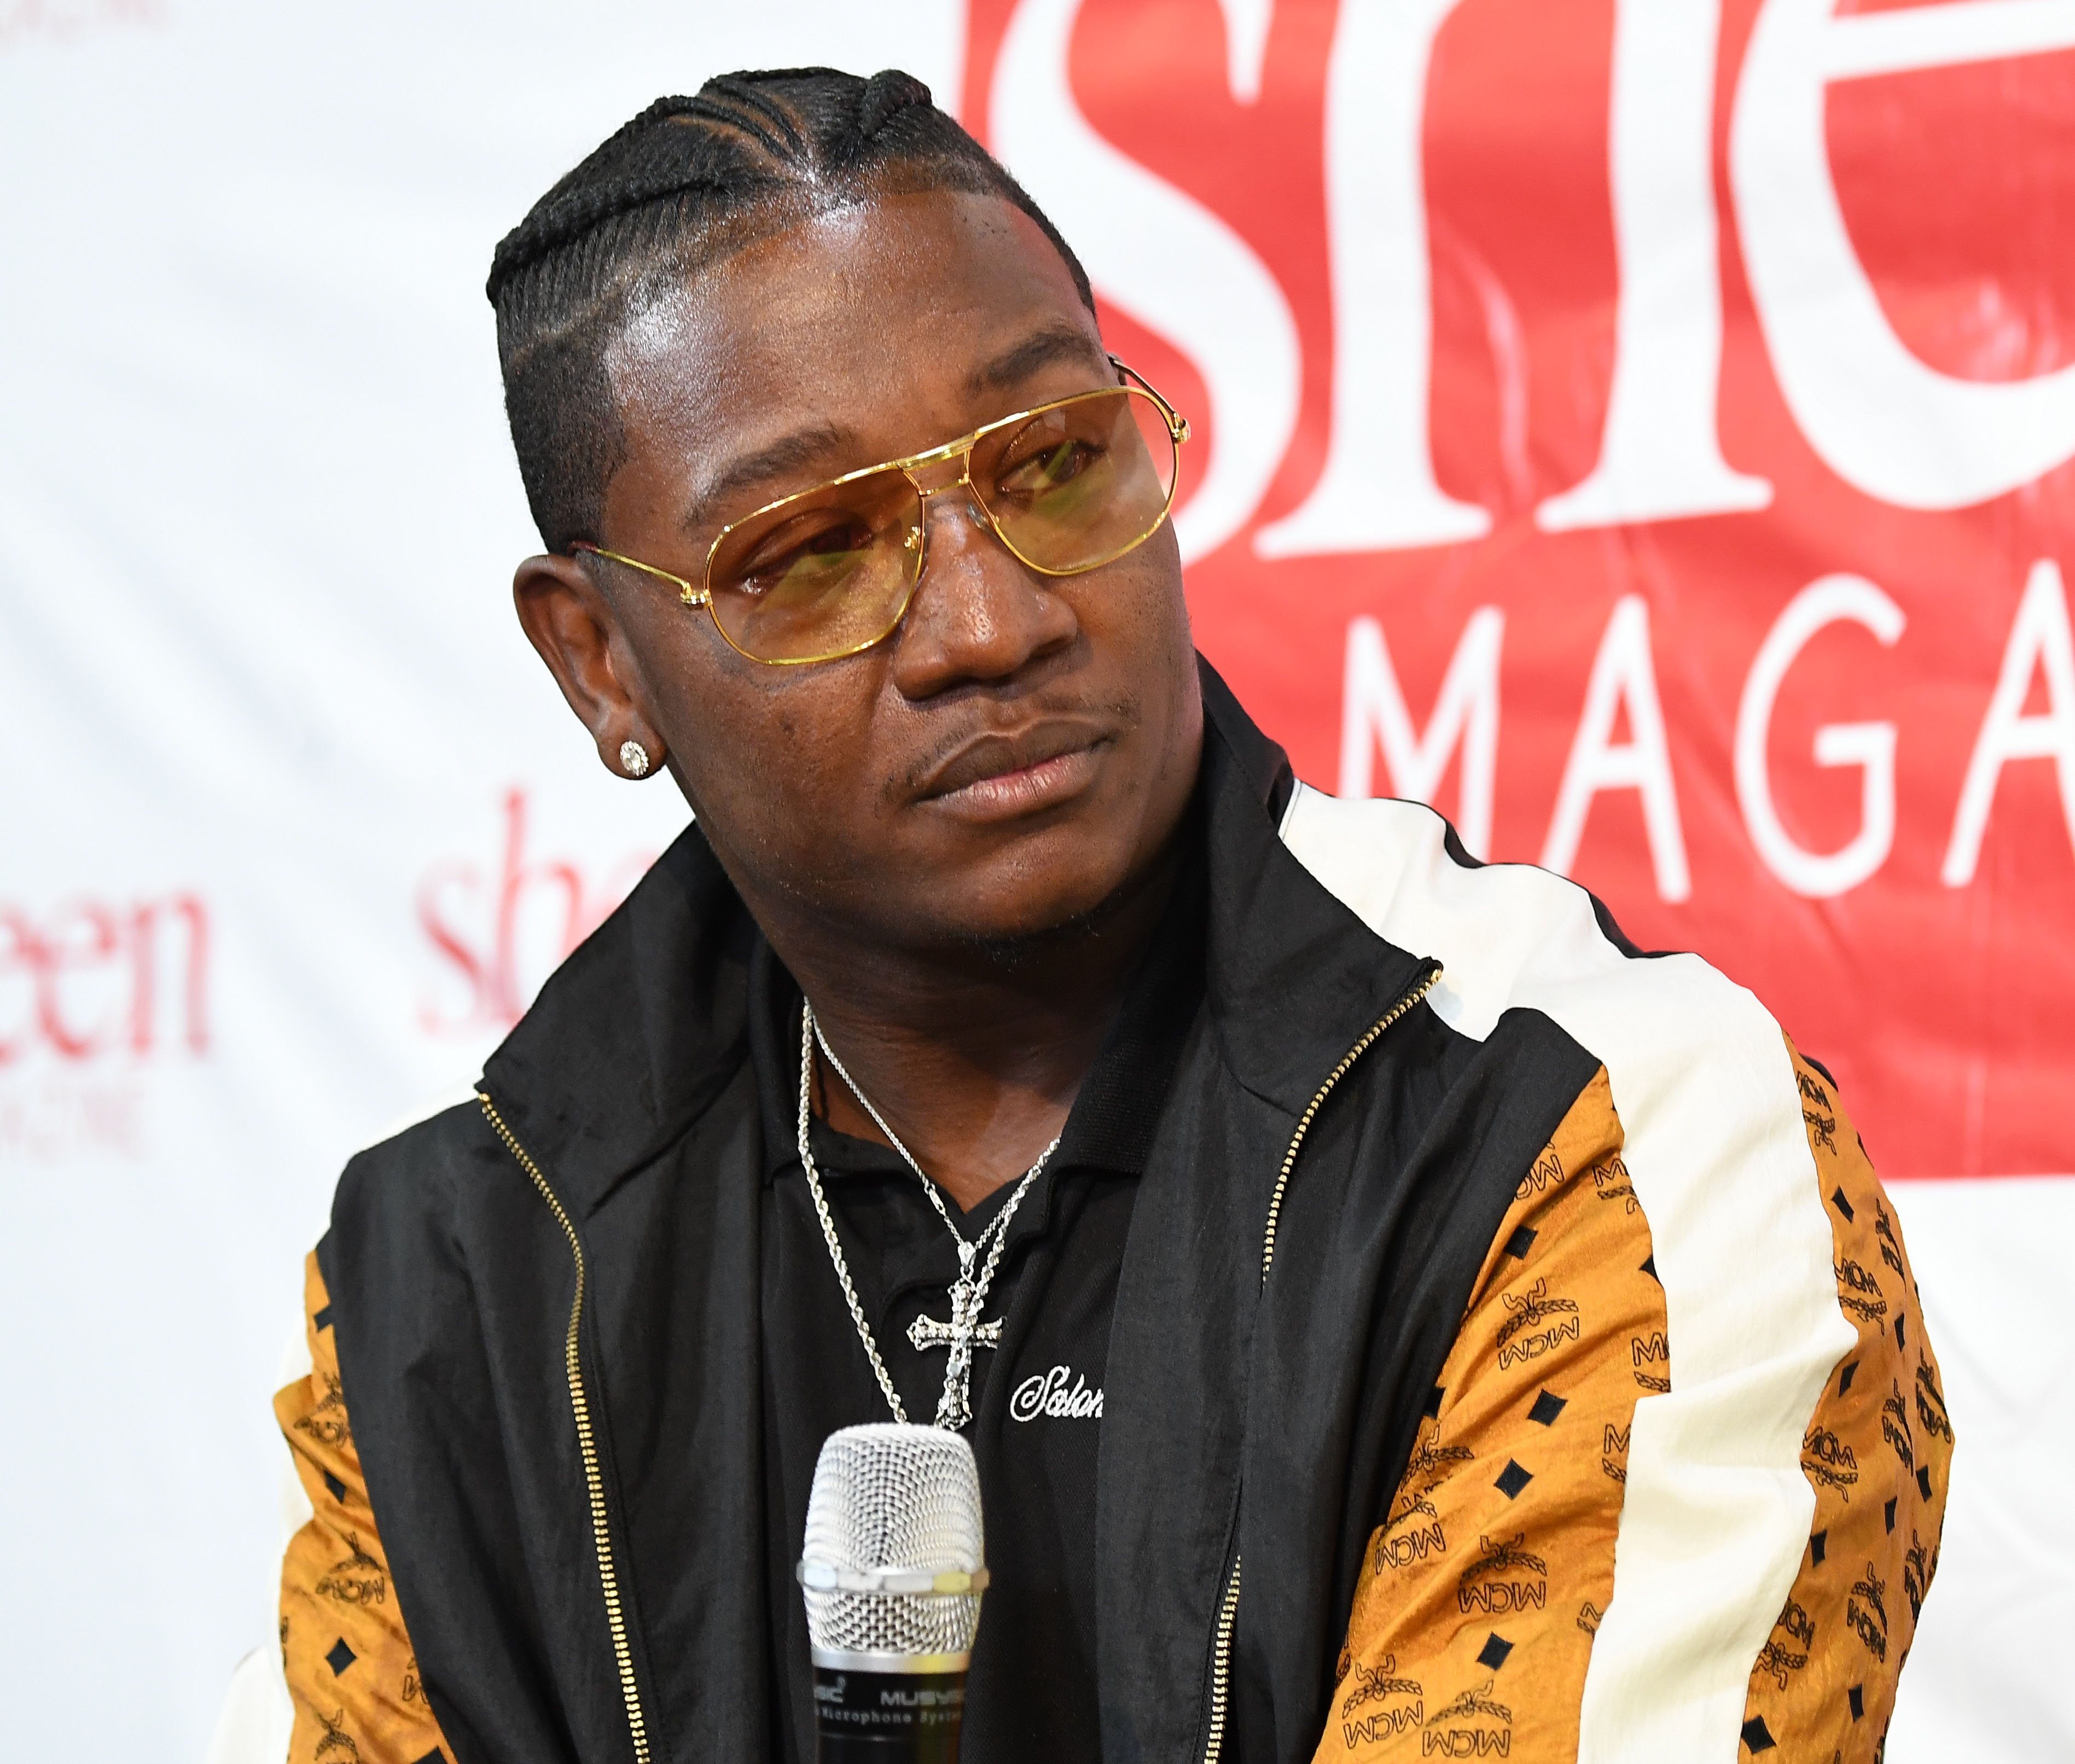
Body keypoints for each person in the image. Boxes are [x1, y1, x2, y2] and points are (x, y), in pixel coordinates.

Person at [271, 67, 1951, 1764]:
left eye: (1053, 461)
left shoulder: (1596, 1128)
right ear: (599, 659)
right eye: (809, 550)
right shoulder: (450, 1288)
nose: (987, 622)